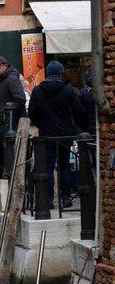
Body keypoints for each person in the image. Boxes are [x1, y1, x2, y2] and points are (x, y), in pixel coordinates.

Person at [28, 61, 86, 208]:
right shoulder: (68, 90)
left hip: (46, 134)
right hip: (65, 134)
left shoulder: (37, 91)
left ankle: (48, 200)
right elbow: (79, 111)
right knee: (64, 166)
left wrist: (41, 124)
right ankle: (65, 198)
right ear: (60, 73)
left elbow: (32, 114)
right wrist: (77, 126)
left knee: (47, 167)